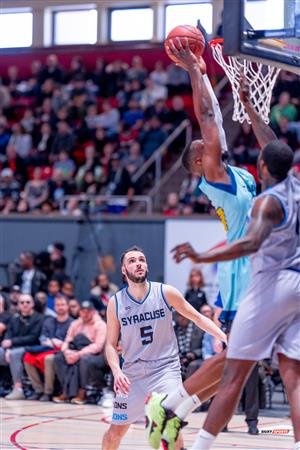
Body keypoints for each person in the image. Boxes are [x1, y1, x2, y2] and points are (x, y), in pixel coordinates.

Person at [145, 40, 277, 449]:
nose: (211, 143)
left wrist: (243, 100)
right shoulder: (216, 180)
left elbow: (216, 122)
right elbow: (205, 116)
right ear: (200, 165)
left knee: (242, 361)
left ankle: (175, 413)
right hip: (243, 275)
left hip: (257, 270)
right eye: (204, 148)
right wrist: (194, 70)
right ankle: (168, 405)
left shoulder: (237, 173)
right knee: (237, 358)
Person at [183, 141, 300, 450]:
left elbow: (250, 244)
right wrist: (249, 108)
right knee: (293, 376)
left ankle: (181, 417)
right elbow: (269, 139)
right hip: (295, 286)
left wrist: (202, 257)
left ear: (262, 167)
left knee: (234, 369)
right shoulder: (295, 187)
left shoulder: (266, 202)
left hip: (271, 283)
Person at [102, 246, 226, 450]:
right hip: (132, 374)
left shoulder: (164, 292)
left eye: (141, 259)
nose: (138, 263)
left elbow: (197, 317)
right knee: (115, 433)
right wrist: (117, 372)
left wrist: (223, 336)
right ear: (124, 270)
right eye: (132, 261)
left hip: (165, 369)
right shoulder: (116, 303)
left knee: (170, 427)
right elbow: (110, 344)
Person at [53, 300, 107, 405]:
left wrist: (78, 354)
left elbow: (98, 346)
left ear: (93, 312)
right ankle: (67, 390)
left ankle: (82, 392)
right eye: (83, 311)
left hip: (96, 355)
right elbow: (67, 340)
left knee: (83, 360)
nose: (85, 314)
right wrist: (66, 352)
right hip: (75, 352)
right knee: (59, 357)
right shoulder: (75, 323)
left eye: (88, 311)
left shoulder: (100, 325)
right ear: (80, 312)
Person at [24, 294, 73, 401]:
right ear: (54, 307)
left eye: (63, 305)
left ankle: (48, 392)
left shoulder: (72, 322)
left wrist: (62, 343)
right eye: (58, 305)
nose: (60, 307)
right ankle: (38, 390)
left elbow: (72, 341)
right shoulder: (49, 320)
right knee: (27, 357)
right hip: (47, 348)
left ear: (67, 306)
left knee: (49, 359)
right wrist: (48, 341)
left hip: (61, 351)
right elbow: (42, 336)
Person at [0, 294, 43, 400]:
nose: (25, 305)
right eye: (22, 302)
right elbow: (9, 333)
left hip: (32, 348)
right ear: (18, 305)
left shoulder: (39, 318)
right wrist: (7, 345)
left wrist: (12, 342)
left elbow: (33, 337)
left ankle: (18, 389)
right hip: (14, 348)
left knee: (15, 354)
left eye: (28, 302)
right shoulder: (15, 318)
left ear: (32, 304)